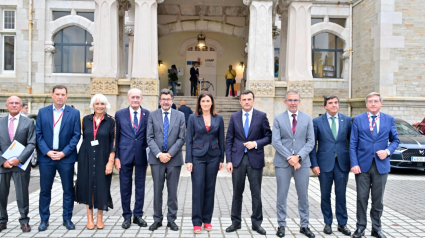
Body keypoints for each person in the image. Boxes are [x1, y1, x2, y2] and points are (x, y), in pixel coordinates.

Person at [350, 92, 399, 238]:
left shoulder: (389, 120)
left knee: (378, 199)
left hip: (381, 165)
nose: (373, 104)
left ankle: (376, 228)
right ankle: (360, 227)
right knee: (361, 198)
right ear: (366, 104)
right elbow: (353, 143)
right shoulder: (358, 120)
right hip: (362, 166)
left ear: (381, 103)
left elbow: (395, 140)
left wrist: (387, 151)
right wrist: (354, 163)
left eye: (376, 101)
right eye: (370, 101)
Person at [225, 90, 272, 235]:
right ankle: (235, 222)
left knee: (256, 193)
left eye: (249, 99)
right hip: (238, 159)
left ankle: (257, 223)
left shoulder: (261, 116)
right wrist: (229, 161)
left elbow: (268, 137)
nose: (246, 101)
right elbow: (229, 139)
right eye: (244, 99)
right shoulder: (234, 117)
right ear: (240, 101)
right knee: (237, 193)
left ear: (253, 101)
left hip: (255, 159)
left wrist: (256, 143)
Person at [36, 85, 81, 231]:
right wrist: (48, 152)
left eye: (63, 94)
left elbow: (76, 135)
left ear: (67, 96)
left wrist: (64, 152)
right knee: (45, 190)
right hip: (46, 158)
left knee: (68, 190)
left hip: (65, 158)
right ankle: (44, 220)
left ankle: (67, 219)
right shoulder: (43, 112)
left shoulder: (74, 113)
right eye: (57, 94)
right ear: (52, 95)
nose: (60, 97)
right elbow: (39, 135)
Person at [272, 90, 315, 238]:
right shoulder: (278, 118)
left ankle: (304, 225)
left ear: (299, 102)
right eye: (290, 100)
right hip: (283, 163)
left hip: (302, 164)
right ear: (285, 102)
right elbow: (276, 142)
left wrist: (299, 157)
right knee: (281, 195)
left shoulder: (307, 118)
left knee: (303, 195)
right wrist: (290, 157)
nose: (292, 103)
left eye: (295, 100)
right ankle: (281, 225)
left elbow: (311, 141)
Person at [309, 95, 352, 236]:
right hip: (324, 164)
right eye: (330, 103)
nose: (334, 105)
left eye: (336, 102)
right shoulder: (317, 121)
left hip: (342, 164)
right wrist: (314, 164)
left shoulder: (347, 120)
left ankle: (342, 223)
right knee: (325, 195)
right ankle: (327, 223)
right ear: (325, 106)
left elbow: (352, 143)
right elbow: (312, 144)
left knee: (341, 195)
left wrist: (352, 163)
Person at [147, 89, 186, 231]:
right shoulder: (152, 115)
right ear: (159, 101)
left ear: (172, 101)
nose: (165, 102)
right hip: (156, 159)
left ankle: (172, 219)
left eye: (168, 99)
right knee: (157, 190)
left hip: (174, 159)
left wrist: (169, 154)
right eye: (163, 99)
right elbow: (149, 138)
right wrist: (159, 154)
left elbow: (182, 138)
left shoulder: (180, 115)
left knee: (172, 191)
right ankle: (157, 219)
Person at [186, 91, 224, 234]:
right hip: (198, 157)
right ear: (199, 103)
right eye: (203, 101)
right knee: (198, 189)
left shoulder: (218, 118)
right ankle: (196, 221)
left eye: (208, 101)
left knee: (210, 188)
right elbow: (189, 139)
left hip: (214, 156)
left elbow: (222, 139)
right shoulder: (193, 118)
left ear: (212, 102)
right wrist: (188, 160)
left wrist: (221, 159)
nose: (206, 103)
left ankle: (207, 220)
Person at [76, 94, 116, 230]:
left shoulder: (111, 121)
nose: (99, 106)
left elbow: (114, 142)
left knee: (101, 188)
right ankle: (89, 219)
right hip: (86, 157)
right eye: (97, 104)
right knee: (89, 188)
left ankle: (99, 218)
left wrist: (110, 161)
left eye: (102, 104)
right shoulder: (85, 120)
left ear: (106, 106)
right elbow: (83, 137)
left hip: (103, 158)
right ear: (93, 105)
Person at [114, 88, 150, 229]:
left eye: (138, 97)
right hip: (124, 155)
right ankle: (127, 216)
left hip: (141, 155)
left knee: (140, 187)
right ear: (128, 99)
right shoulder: (120, 114)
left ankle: (138, 215)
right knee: (125, 187)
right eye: (133, 97)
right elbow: (116, 138)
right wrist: (116, 157)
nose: (135, 99)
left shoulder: (148, 114)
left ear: (141, 99)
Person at [0, 96, 35, 233]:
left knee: (22, 193)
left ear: (21, 106)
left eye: (17, 103)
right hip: (3, 165)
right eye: (11, 103)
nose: (14, 105)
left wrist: (19, 159)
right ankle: (2, 220)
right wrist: (3, 161)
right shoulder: (1, 122)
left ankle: (24, 221)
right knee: (1, 194)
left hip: (21, 164)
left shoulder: (28, 122)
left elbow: (31, 143)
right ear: (6, 105)